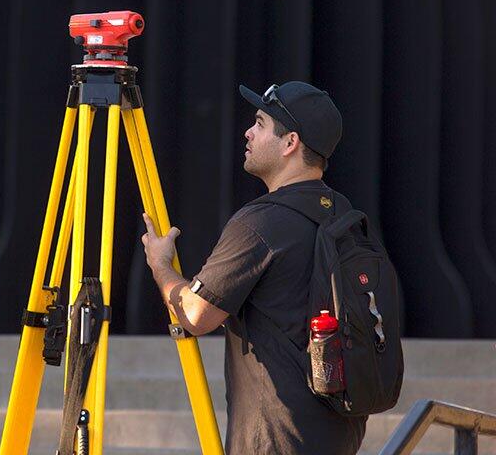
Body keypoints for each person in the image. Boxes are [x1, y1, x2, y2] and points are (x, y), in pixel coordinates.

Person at [140, 81, 367, 454]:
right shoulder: (344, 215)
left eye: (260, 124)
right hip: (339, 434)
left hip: (275, 439)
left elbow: (195, 315)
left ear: (290, 142)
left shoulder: (262, 223)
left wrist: (160, 264)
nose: (248, 132)